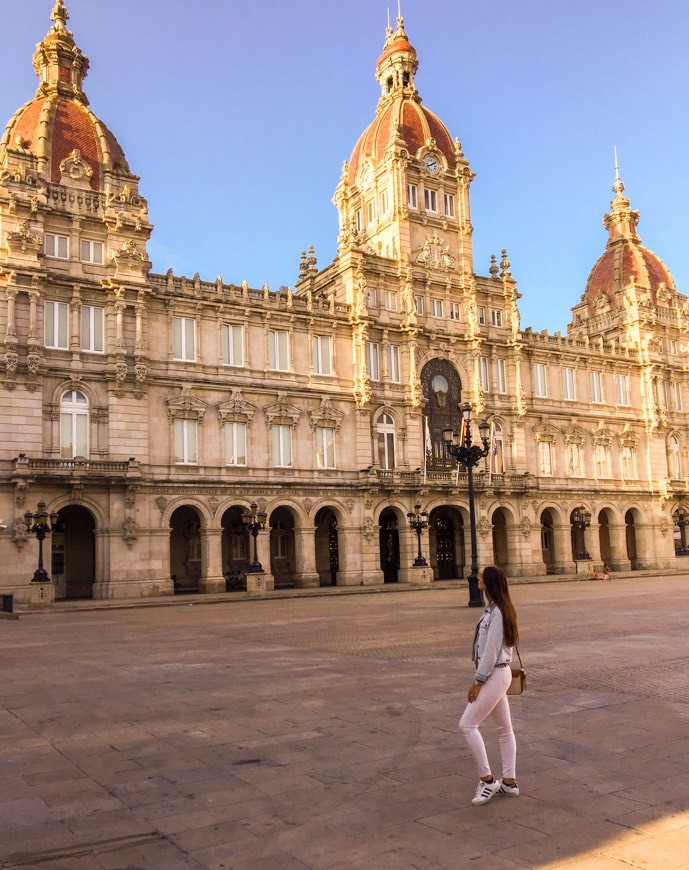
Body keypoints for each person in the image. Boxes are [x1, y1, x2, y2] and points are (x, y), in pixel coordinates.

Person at [459, 565, 520, 806]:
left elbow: (491, 651)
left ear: (488, 583)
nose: (477, 579)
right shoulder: (495, 610)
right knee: (504, 729)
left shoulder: (498, 614)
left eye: (481, 577)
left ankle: (487, 780)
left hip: (494, 674)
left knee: (467, 725)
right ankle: (510, 783)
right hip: (499, 674)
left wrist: (478, 681)